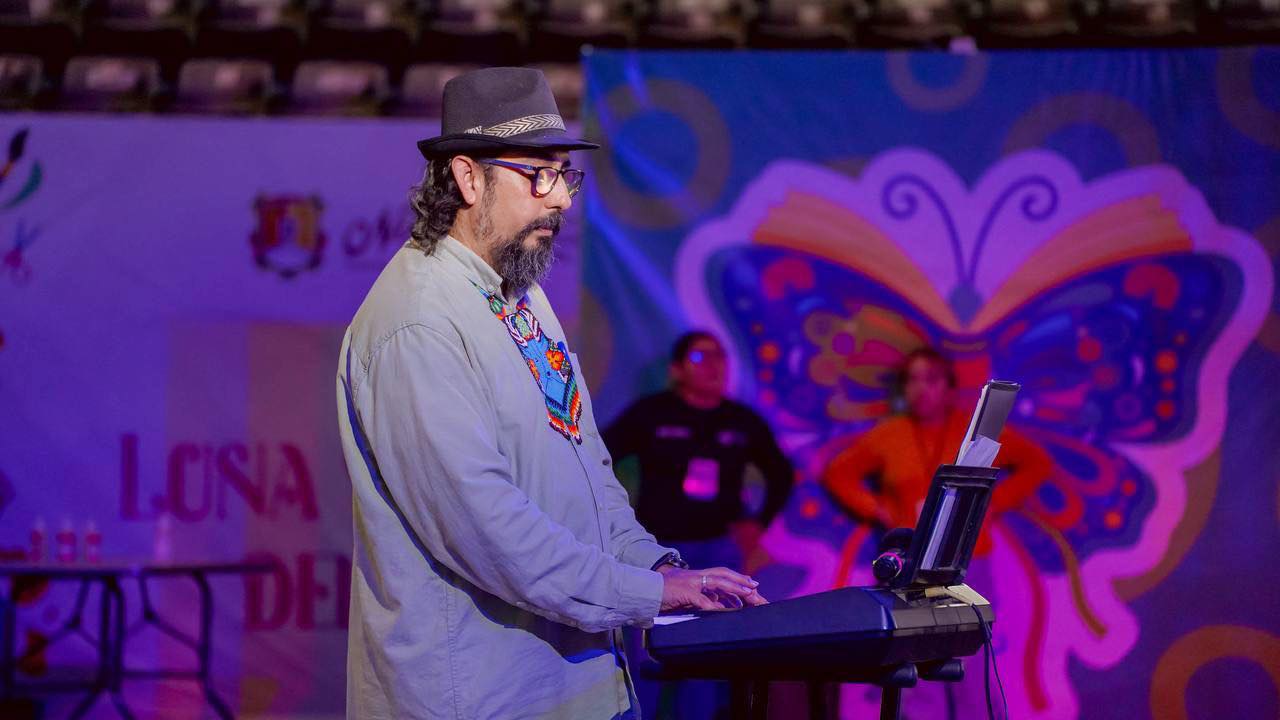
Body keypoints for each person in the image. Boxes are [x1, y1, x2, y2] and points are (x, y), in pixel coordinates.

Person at [335, 68, 765, 720]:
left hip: (584, 687)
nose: (561, 198)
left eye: (565, 175)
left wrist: (657, 569)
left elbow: (589, 471)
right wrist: (646, 594)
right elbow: (487, 532)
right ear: (468, 178)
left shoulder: (522, 294)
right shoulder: (417, 324)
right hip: (484, 701)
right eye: (539, 174)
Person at [604, 331, 793, 720]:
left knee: (706, 654)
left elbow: (781, 473)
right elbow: (599, 459)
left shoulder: (740, 420)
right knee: (647, 651)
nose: (713, 366)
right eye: (700, 358)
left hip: (717, 551)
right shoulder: (651, 414)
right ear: (676, 370)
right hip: (658, 552)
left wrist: (757, 524)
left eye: (720, 356)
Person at [822, 347, 1052, 556]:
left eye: (931, 379)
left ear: (950, 389)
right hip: (907, 554)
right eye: (912, 380)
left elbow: (1037, 463)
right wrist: (878, 508)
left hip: (966, 557)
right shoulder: (889, 434)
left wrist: (994, 503)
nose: (921, 388)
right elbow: (838, 472)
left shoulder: (976, 431)